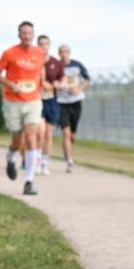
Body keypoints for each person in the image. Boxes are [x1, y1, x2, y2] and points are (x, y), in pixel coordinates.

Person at [0, 21, 46, 195]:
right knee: (18, 141)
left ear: (33, 34)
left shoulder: (39, 53)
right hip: (13, 100)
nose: (27, 36)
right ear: (19, 34)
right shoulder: (9, 53)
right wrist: (10, 84)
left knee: (32, 138)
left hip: (33, 100)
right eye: (24, 33)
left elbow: (40, 71)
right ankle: (10, 157)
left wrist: (42, 83)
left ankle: (29, 182)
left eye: (29, 33)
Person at [55, 44, 90, 173]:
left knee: (72, 135)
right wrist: (57, 86)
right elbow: (51, 81)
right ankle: (69, 161)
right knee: (66, 133)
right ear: (59, 53)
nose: (64, 54)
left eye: (66, 52)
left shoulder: (77, 65)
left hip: (76, 101)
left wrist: (79, 88)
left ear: (69, 53)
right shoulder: (56, 66)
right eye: (62, 52)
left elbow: (87, 79)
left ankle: (70, 145)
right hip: (61, 102)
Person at [38, 34, 64, 175]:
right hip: (37, 100)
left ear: (49, 45)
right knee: (40, 132)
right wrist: (41, 83)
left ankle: (44, 162)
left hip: (52, 101)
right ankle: (35, 159)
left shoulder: (56, 63)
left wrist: (57, 84)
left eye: (46, 43)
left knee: (48, 134)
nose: (43, 46)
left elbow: (63, 80)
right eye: (41, 43)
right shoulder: (34, 61)